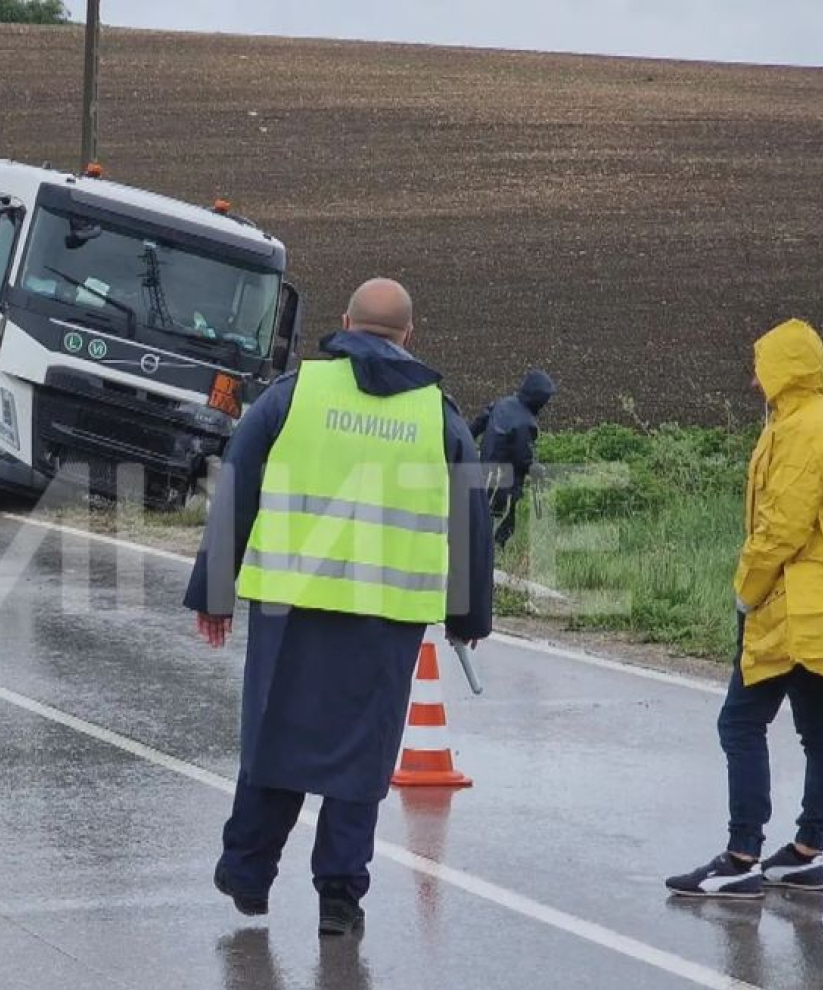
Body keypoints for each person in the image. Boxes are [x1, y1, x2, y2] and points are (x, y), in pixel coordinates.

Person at [186, 278, 494, 936]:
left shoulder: (295, 394)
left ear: (346, 322)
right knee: (361, 758)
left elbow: (236, 482)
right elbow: (471, 520)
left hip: (290, 607)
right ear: (409, 335)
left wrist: (214, 593)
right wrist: (468, 617)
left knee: (275, 738)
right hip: (386, 618)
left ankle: (246, 872)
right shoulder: (437, 418)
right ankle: (340, 898)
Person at [666, 319, 823, 899]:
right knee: (821, 732)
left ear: (782, 369)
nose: (754, 377)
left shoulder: (803, 428)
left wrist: (748, 585)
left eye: (761, 365)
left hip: (790, 602)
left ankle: (742, 855)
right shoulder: (813, 419)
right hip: (822, 604)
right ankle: (808, 853)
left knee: (740, 723)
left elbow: (783, 523)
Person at [471, 369, 557, 547]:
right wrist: (537, 470)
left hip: (483, 473)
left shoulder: (503, 403)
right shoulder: (527, 424)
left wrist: (467, 438)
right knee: (503, 527)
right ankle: (494, 561)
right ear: (539, 400)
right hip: (505, 486)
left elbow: (480, 421)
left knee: (480, 520)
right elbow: (523, 459)